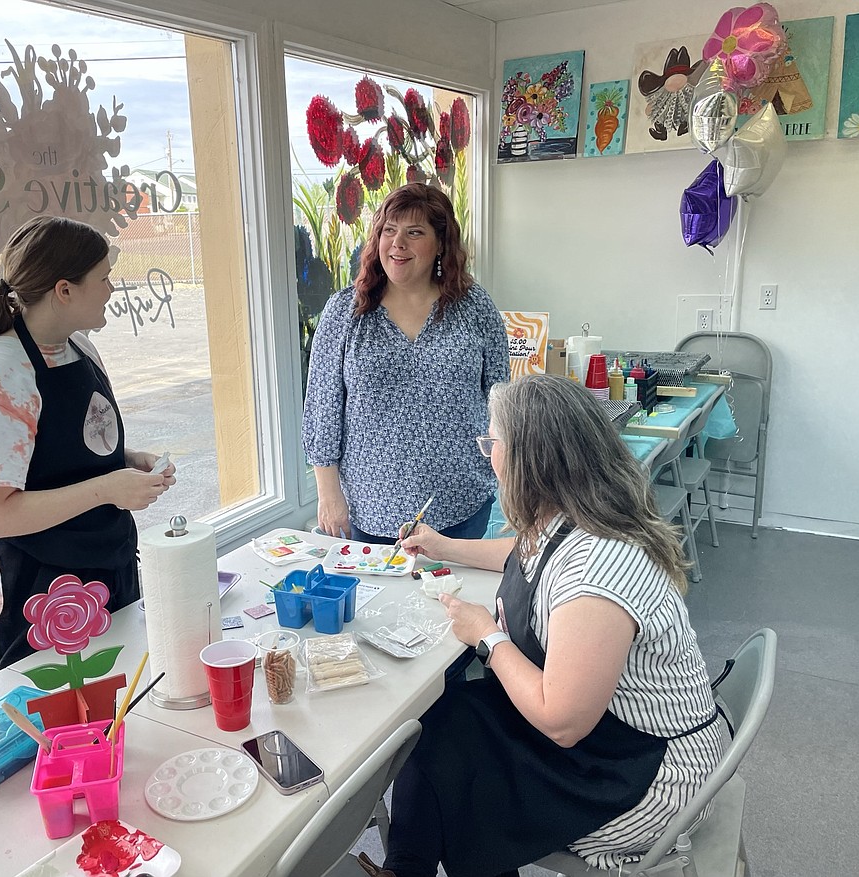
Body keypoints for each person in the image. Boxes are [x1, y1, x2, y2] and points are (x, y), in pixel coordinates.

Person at [357, 375, 724, 877]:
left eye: (492, 444)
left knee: (466, 776)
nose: (488, 456)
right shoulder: (576, 518)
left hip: (650, 776)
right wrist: (443, 546)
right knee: (441, 721)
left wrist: (488, 637)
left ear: (530, 458)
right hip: (610, 736)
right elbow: (524, 553)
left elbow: (562, 720)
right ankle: (405, 869)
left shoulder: (597, 568)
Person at [0, 215, 175, 668]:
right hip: (40, 591)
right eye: (103, 279)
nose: (111, 290)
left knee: (124, 708)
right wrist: (106, 489)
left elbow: (58, 457)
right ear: (64, 290)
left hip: (109, 567)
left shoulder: (79, 347)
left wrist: (125, 461)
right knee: (70, 725)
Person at [302, 183, 509, 544]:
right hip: (370, 510)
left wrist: (510, 481)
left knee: (452, 598)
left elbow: (501, 400)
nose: (398, 244)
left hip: (461, 504)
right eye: (389, 230)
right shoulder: (345, 312)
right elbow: (323, 409)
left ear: (441, 244)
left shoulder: (473, 306)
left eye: (415, 233)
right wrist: (328, 494)